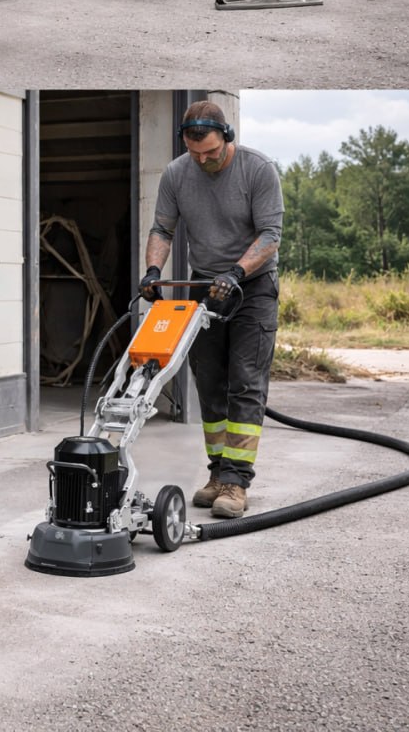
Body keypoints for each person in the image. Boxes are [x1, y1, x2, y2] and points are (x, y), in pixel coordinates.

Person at [138, 101, 283, 519]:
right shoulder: (176, 174)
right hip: (206, 288)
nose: (203, 160)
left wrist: (238, 271)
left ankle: (237, 481)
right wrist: (152, 270)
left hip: (252, 287)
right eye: (195, 152)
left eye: (212, 152)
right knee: (209, 384)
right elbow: (162, 228)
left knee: (245, 383)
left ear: (228, 138)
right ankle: (217, 474)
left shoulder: (258, 169)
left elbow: (271, 235)